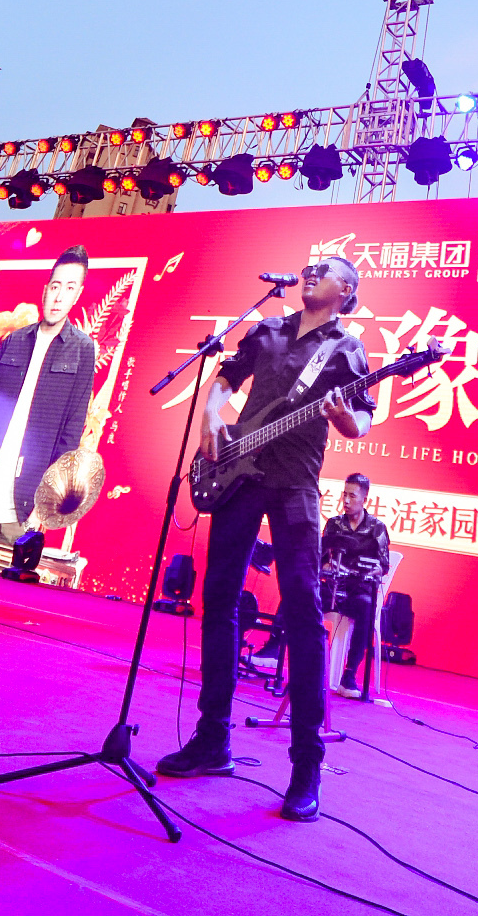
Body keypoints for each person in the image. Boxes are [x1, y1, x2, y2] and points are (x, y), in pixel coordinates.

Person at [156, 255, 373, 824]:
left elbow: (362, 420)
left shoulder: (346, 348)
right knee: (218, 600)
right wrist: (212, 414)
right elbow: (227, 378)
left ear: (346, 290)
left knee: (303, 612)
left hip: (295, 484)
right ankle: (213, 739)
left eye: (324, 269)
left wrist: (345, 421)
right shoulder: (269, 328)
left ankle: (306, 765)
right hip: (238, 474)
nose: (310, 272)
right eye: (308, 266)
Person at [0, 247, 98, 533]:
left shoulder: (83, 349)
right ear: (45, 289)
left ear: (78, 295)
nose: (59, 297)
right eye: (55, 286)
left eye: (69, 288)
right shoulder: (15, 339)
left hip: (22, 505)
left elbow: (71, 432)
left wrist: (44, 504)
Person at [321, 471, 392, 699]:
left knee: (366, 607)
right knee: (299, 592)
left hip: (357, 590)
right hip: (332, 587)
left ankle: (349, 675)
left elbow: (383, 565)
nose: (347, 500)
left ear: (364, 499)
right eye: (344, 495)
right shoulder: (334, 524)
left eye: (352, 496)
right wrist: (329, 566)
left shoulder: (376, 528)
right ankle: (276, 648)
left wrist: (367, 571)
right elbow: (321, 558)